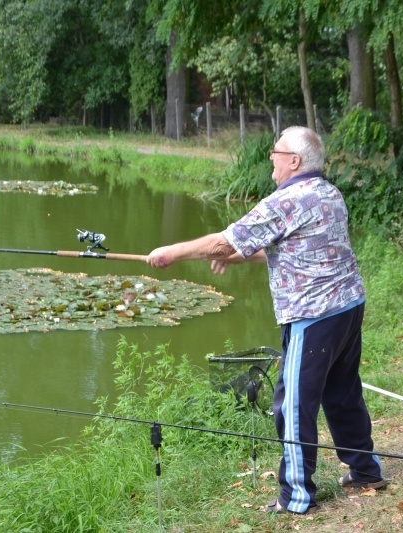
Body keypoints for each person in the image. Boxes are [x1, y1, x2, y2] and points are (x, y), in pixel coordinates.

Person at [145, 126, 386, 515]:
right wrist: (237, 255)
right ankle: (365, 471)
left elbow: (226, 240)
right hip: (347, 306)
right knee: (341, 393)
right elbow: (289, 246)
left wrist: (171, 252)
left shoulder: (287, 199)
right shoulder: (328, 193)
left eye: (276, 151)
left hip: (314, 314)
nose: (270, 158)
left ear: (294, 161)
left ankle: (296, 496)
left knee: (291, 403)